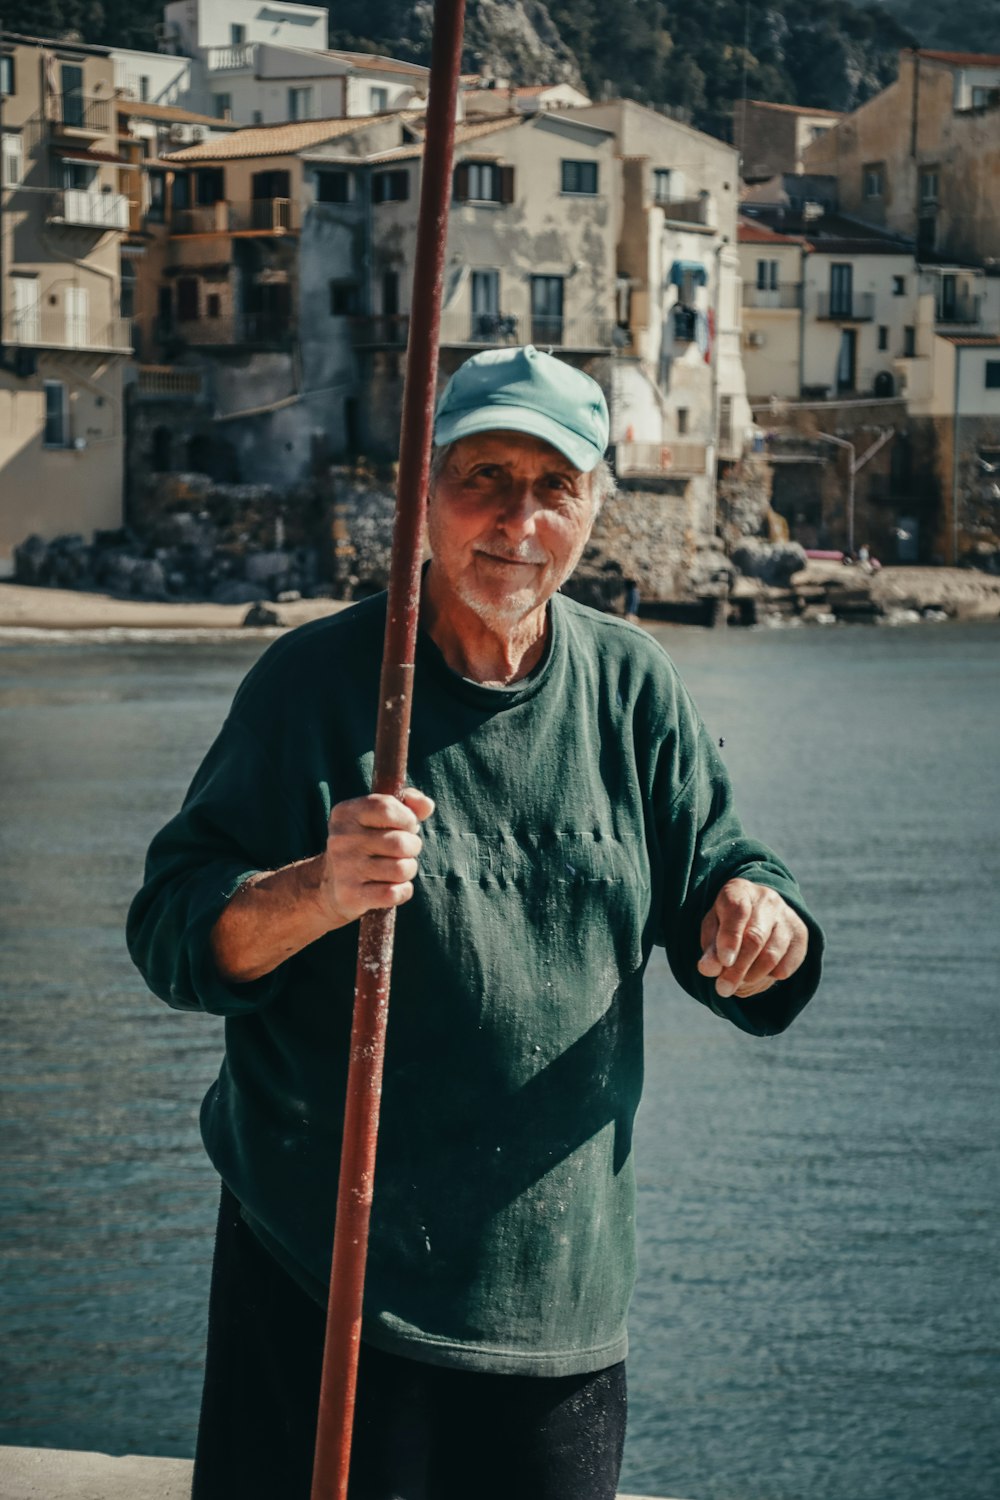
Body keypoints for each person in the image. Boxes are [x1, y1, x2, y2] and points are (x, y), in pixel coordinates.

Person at [127, 345, 823, 1500]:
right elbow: (172, 934)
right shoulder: (315, 686)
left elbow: (722, 874)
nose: (518, 520)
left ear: (595, 506)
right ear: (425, 494)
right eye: (484, 478)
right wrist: (318, 888)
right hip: (328, 1286)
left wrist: (761, 917)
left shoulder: (630, 685)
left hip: (559, 1304)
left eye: (555, 487)